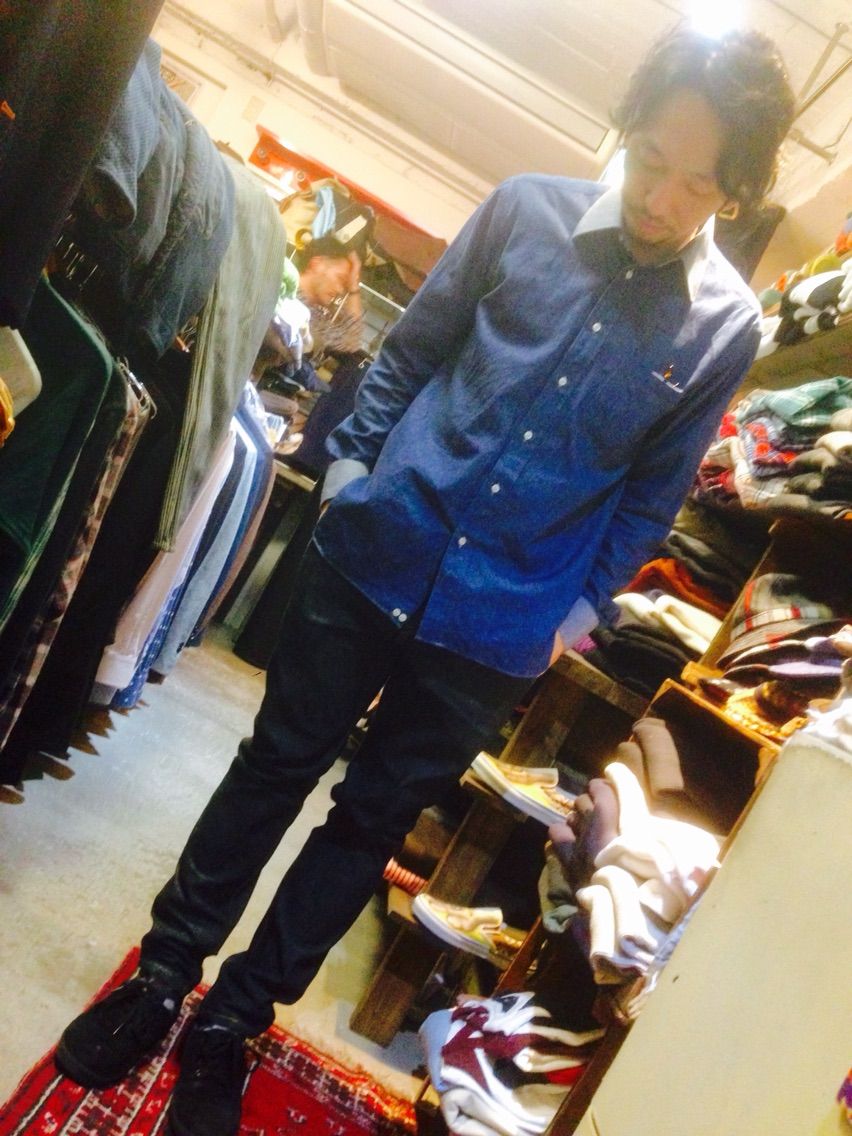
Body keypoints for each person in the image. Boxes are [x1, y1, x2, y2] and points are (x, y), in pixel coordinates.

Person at [55, 25, 795, 1136]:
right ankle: (164, 974)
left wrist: (572, 616)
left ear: (733, 193)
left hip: (499, 627)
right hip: (375, 549)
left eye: (700, 186)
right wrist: (351, 476)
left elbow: (651, 492)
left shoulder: (726, 325)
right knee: (271, 768)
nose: (662, 199)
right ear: (626, 131)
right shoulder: (524, 211)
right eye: (652, 159)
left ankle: (234, 1021)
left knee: (366, 825)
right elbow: (408, 358)